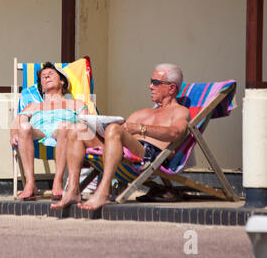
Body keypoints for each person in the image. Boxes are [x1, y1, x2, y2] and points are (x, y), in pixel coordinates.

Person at [51, 63, 190, 210]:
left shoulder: (180, 111)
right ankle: (73, 190)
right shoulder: (142, 113)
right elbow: (120, 133)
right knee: (76, 129)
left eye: (155, 83)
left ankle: (104, 192)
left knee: (114, 130)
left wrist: (139, 128)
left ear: (172, 88)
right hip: (124, 151)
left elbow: (175, 133)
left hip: (149, 155)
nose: (150, 87)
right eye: (151, 82)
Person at [10, 62, 89, 201]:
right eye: (43, 77)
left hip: (64, 134)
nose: (46, 76)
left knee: (64, 126)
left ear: (62, 81)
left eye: (51, 74)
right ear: (41, 87)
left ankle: (57, 181)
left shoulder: (76, 104)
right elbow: (16, 122)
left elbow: (88, 124)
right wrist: (13, 134)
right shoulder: (33, 105)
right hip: (38, 134)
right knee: (24, 127)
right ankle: (30, 183)